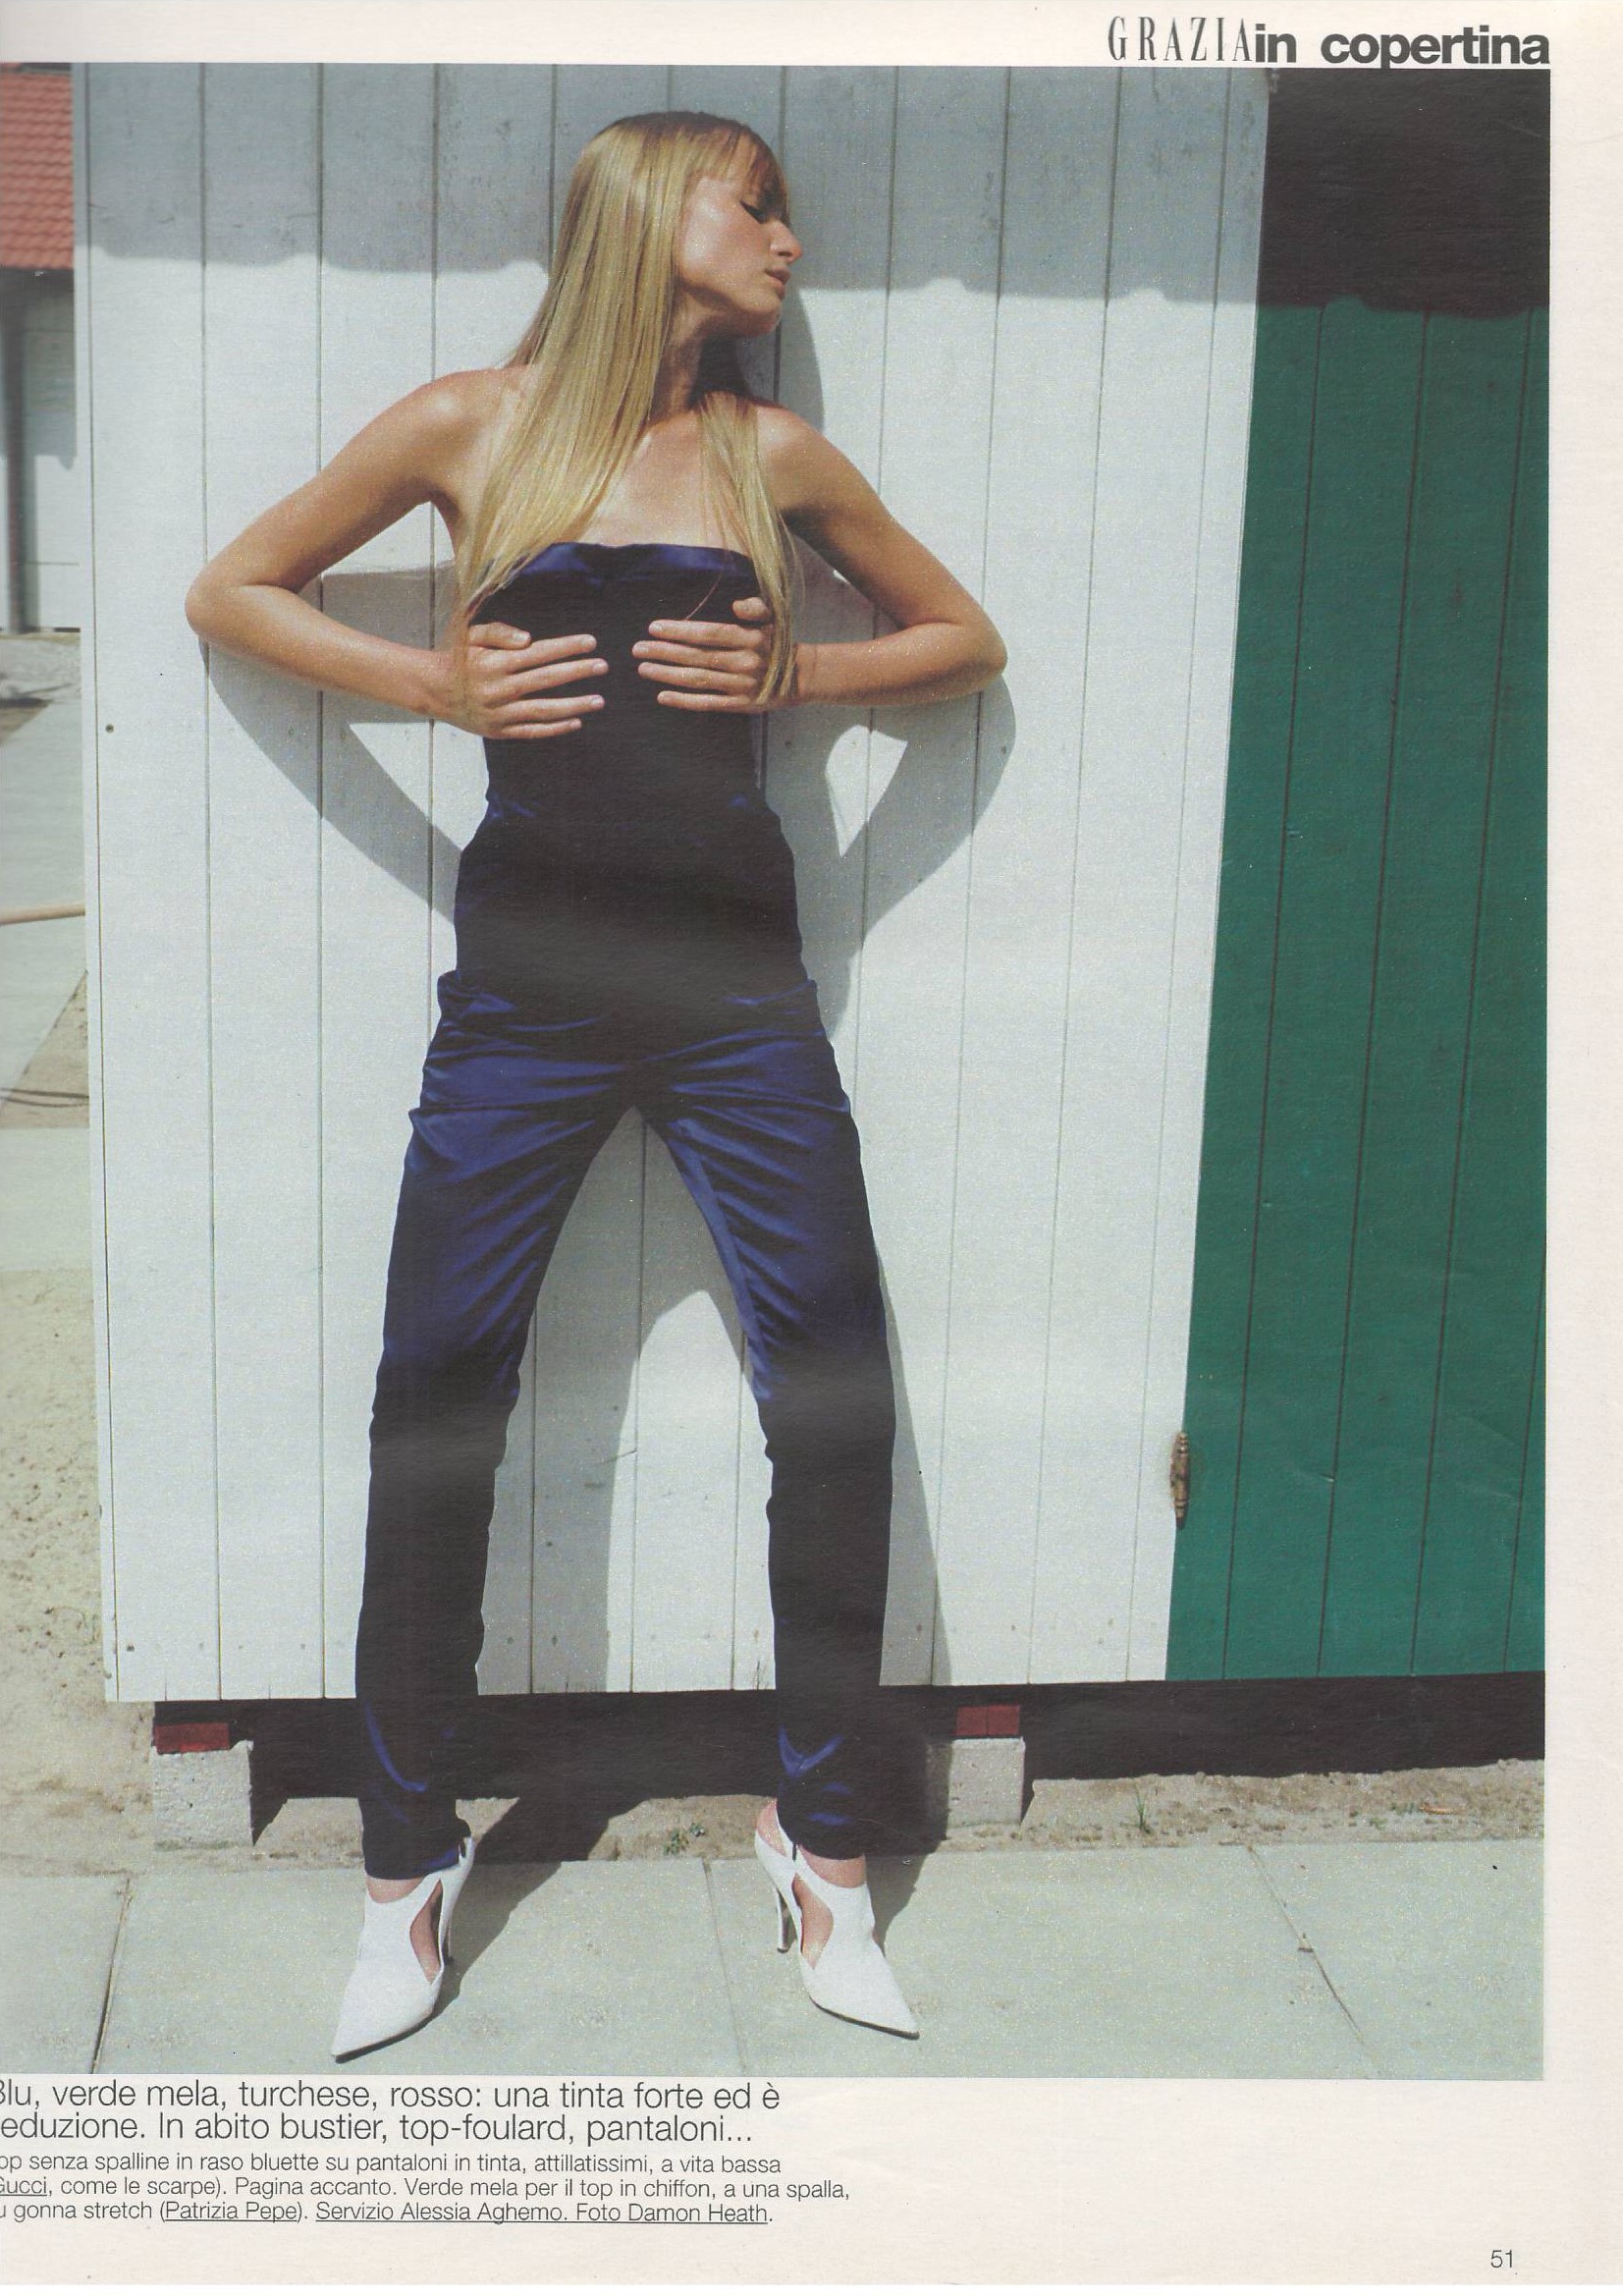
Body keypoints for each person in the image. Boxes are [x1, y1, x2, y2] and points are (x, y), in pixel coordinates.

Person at [186, 109, 1005, 2057]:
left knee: (832, 1391)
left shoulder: (768, 455)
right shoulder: (465, 424)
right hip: (526, 1003)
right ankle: (405, 1863)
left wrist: (804, 676)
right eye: (756, 204)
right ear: (651, 209)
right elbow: (235, 588)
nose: (786, 241)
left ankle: (819, 1838)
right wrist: (429, 683)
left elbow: (962, 639)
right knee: (434, 1402)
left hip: (736, 997)